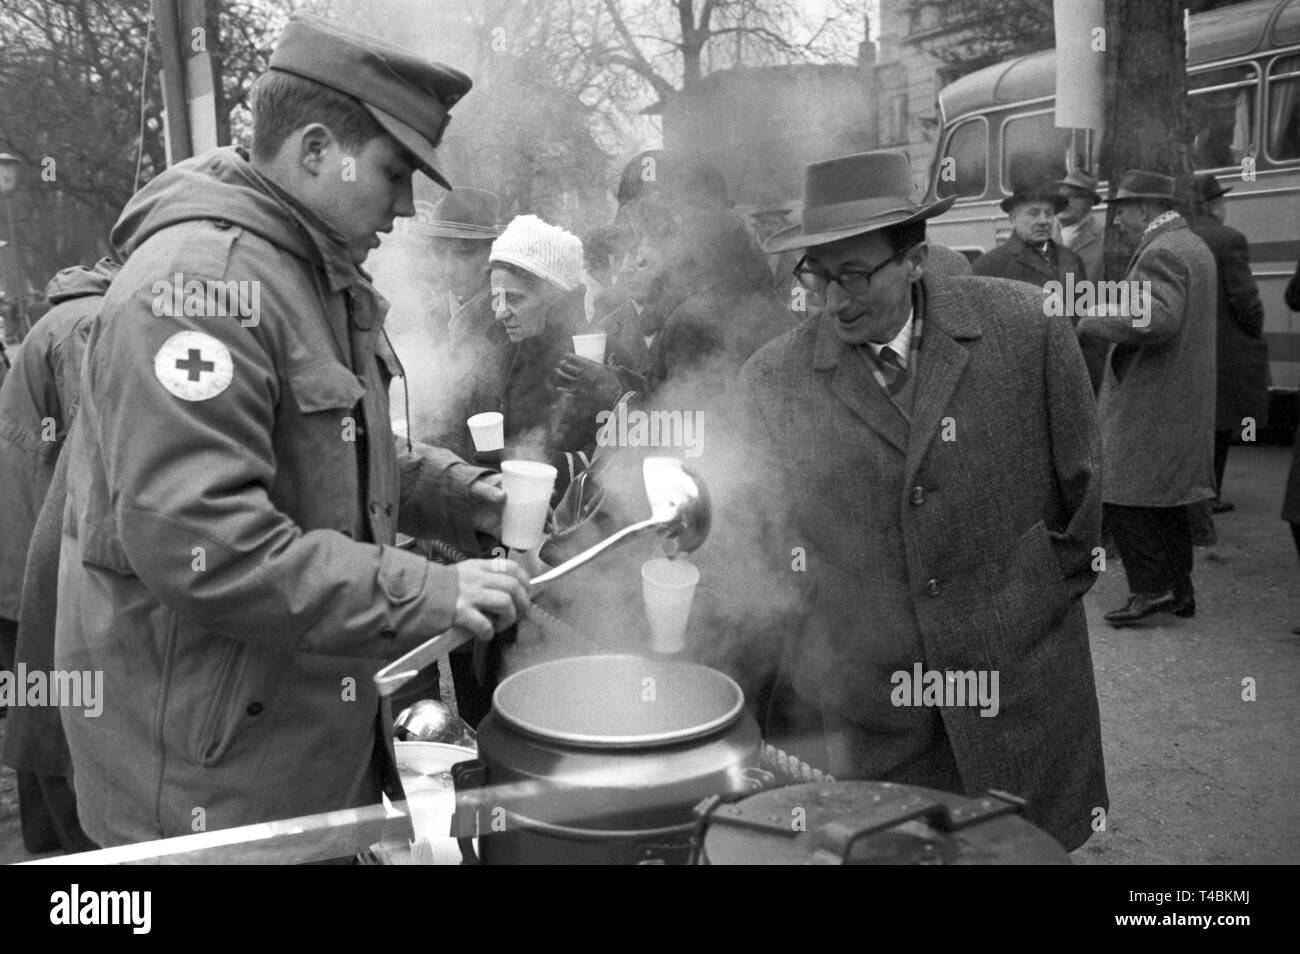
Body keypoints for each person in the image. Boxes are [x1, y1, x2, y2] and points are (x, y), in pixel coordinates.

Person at [54, 13, 531, 851]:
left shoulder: (305, 271)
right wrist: (432, 592)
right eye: (393, 173)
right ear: (315, 150)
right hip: (213, 788)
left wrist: (468, 501)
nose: (406, 205)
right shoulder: (201, 286)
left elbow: (340, 450)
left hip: (288, 748)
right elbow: (207, 544)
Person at [731, 151, 1107, 851]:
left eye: (855, 273)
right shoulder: (771, 381)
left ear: (913, 259)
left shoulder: (1028, 329)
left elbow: (1083, 497)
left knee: (1020, 856)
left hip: (1017, 696)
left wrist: (1026, 602)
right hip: (872, 717)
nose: (835, 299)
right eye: (819, 274)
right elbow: (758, 559)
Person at [0, 258, 117, 854]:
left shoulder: (67, 316)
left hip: (17, 553)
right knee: (58, 724)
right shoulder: (91, 324)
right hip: (35, 564)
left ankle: (48, 851)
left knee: (35, 710)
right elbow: (94, 450)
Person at [1076, 170, 1217, 626]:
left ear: (1145, 209)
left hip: (1151, 394)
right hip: (1177, 394)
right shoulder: (1191, 245)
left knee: (1119, 488)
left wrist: (1091, 316)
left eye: (1122, 212)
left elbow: (1158, 318)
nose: (1118, 223)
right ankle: (1179, 590)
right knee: (1167, 497)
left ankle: (1150, 589)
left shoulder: (1163, 251)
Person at [1187, 172, 1268, 516]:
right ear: (1215, 205)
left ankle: (1196, 492)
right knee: (1221, 426)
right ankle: (1211, 494)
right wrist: (1254, 330)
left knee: (1200, 425)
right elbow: (1244, 299)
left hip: (1191, 349)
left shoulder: (1182, 238)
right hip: (1226, 349)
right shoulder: (1230, 239)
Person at [972, 180, 1088, 289]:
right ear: (1013, 219)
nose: (1043, 221)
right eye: (1033, 213)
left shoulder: (1072, 259)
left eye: (1048, 213)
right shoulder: (989, 266)